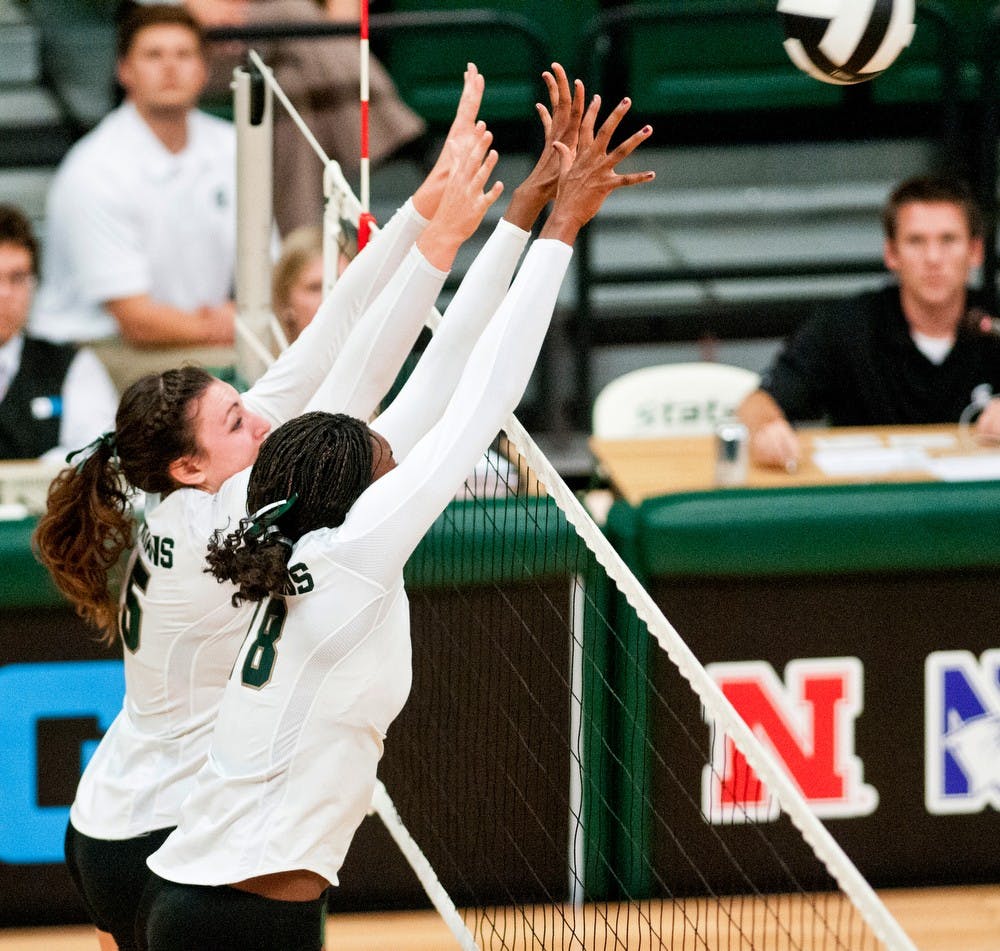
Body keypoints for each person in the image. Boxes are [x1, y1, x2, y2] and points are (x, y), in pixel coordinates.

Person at [34, 62, 584, 951]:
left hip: (125, 821)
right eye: (233, 417)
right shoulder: (242, 522)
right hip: (169, 834)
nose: (256, 412)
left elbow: (331, 338)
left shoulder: (199, 498)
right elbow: (373, 373)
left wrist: (429, 215)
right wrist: (466, 242)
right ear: (189, 463)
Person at [141, 91, 654, 951]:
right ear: (357, 489)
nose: (396, 451)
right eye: (381, 453)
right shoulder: (353, 559)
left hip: (206, 899)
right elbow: (483, 391)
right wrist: (565, 230)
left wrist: (529, 202)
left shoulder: (302, 545)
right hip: (239, 919)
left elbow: (445, 363)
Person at [31, 5, 240, 393]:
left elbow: (272, 270)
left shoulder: (232, 146)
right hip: (99, 348)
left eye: (183, 54)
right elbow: (137, 321)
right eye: (154, 55)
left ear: (203, 70)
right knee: (241, 377)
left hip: (201, 338)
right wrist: (234, 325)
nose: (170, 67)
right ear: (124, 70)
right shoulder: (94, 168)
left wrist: (240, 319)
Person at [738, 175, 1000, 471]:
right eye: (916, 241)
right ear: (892, 253)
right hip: (871, 502)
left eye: (948, 240)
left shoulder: (993, 322)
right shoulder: (846, 326)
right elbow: (757, 402)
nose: (933, 258)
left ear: (975, 251)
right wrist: (767, 428)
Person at [143, 0, 427, 235]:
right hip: (200, 48)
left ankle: (297, 238)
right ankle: (404, 135)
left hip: (289, 53)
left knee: (290, 84)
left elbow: (343, 25)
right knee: (293, 15)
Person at [0, 205, 117, 461]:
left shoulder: (72, 365)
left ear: (34, 284)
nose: (5, 293)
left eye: (17, 278)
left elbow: (98, 453)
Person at [272, 226, 324, 345]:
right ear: (284, 301)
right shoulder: (263, 359)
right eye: (315, 288)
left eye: (341, 284)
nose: (331, 296)